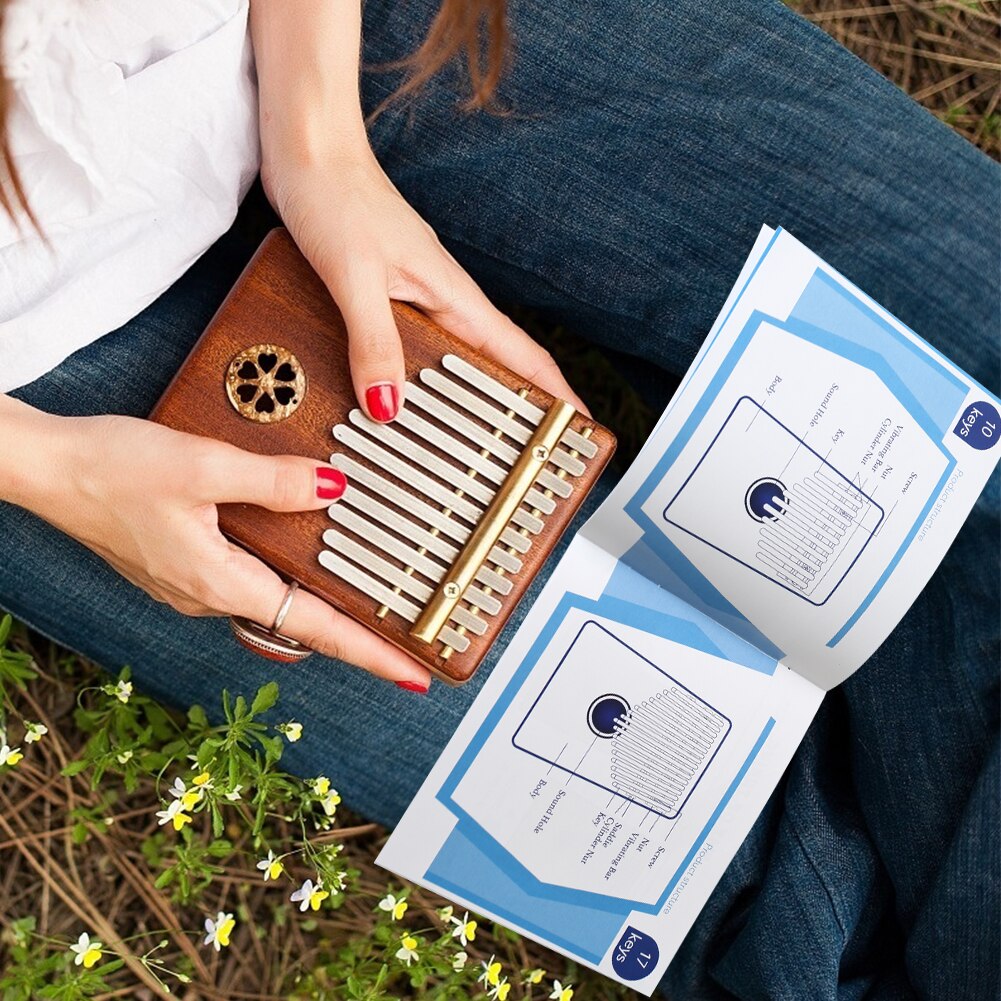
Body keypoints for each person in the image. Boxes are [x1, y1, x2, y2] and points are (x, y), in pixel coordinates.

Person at [0, 1, 997, 997]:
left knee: (962, 400)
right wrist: (53, 470)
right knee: (712, 870)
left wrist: (317, 141)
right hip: (40, 354)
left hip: (344, 29)